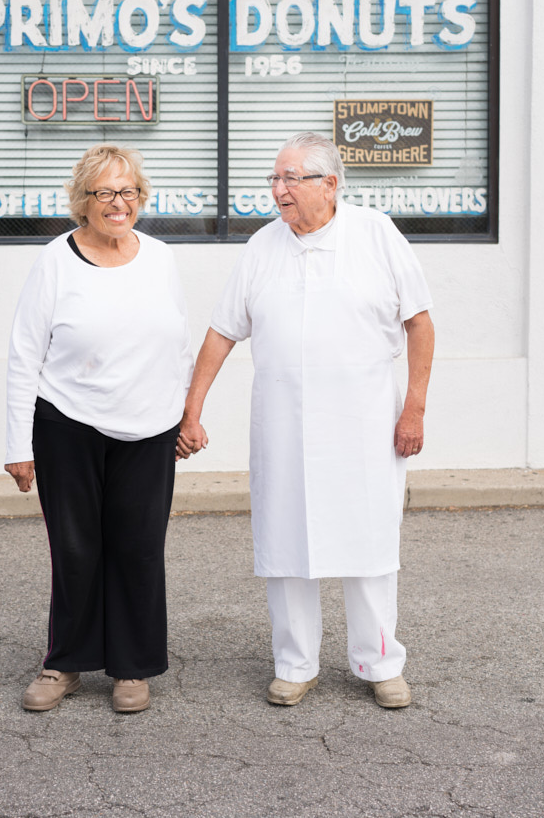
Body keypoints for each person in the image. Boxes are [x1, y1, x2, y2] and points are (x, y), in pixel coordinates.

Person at [178, 131, 434, 709]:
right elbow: (222, 332)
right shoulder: (263, 246)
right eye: (275, 179)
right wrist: (191, 410)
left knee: (368, 538)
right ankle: (295, 663)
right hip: (284, 423)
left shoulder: (376, 234)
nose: (279, 190)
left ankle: (379, 662)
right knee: (287, 538)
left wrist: (414, 406)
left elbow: (420, 322)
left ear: (330, 183)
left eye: (291, 178)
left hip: (366, 422)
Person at [5, 143, 192, 714]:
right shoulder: (56, 259)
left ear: (142, 197)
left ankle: (132, 669)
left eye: (129, 191)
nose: (119, 203)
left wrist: (186, 414)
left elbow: (177, 345)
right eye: (106, 192)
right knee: (76, 548)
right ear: (83, 200)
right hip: (67, 422)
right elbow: (23, 354)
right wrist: (18, 444)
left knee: (138, 549)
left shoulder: (160, 257)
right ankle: (64, 663)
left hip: (150, 427)